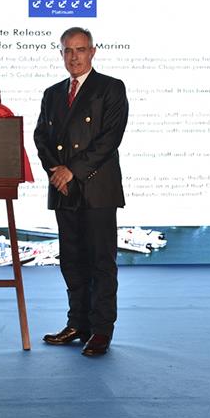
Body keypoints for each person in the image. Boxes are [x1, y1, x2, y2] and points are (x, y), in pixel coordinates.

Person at [33, 26, 129, 357]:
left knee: (101, 261)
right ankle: (78, 323)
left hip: (97, 188)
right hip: (64, 189)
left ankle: (101, 330)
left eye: (80, 50)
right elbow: (40, 138)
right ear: (61, 54)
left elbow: (109, 138)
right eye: (67, 51)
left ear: (93, 51)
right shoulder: (52, 93)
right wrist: (55, 171)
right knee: (72, 260)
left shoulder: (111, 88)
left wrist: (72, 169)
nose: (74, 57)